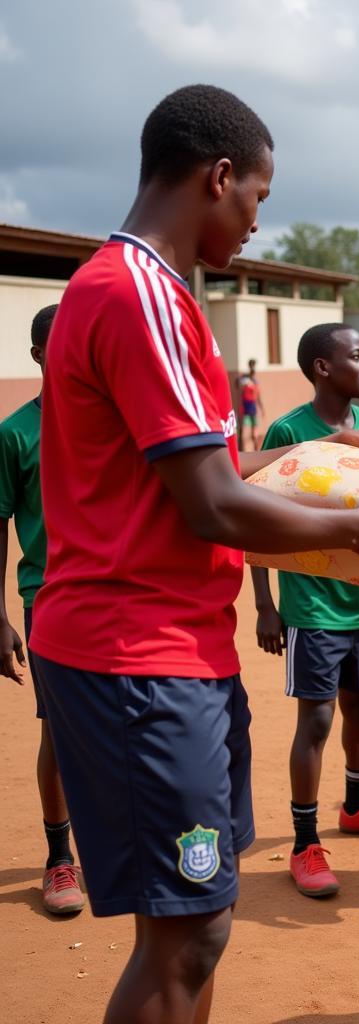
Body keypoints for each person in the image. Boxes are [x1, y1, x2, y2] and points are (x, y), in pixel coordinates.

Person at [27, 84, 359, 1024]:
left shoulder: (144, 290)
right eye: (258, 195)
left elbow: (200, 467)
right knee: (190, 930)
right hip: (135, 657)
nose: (258, 219)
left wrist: (321, 458)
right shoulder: (139, 293)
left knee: (199, 914)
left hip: (173, 652)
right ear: (219, 177)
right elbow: (214, 506)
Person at [251, 323, 359, 899]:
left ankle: (356, 806)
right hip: (312, 608)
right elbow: (259, 515)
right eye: (358, 356)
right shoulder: (289, 431)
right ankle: (304, 842)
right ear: (324, 368)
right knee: (317, 720)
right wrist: (265, 605)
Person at [0, 304, 85, 916]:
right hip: (51, 600)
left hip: (118, 596)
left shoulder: (112, 422)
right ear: (37, 356)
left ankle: (118, 848)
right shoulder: (16, 433)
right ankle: (60, 859)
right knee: (58, 731)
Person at [236, 358, 265, 452]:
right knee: (243, 431)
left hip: (251, 406)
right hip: (246, 406)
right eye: (252, 365)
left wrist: (261, 408)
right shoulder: (245, 379)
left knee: (253, 432)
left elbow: (258, 396)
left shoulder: (254, 381)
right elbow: (237, 385)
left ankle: (255, 451)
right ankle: (242, 451)